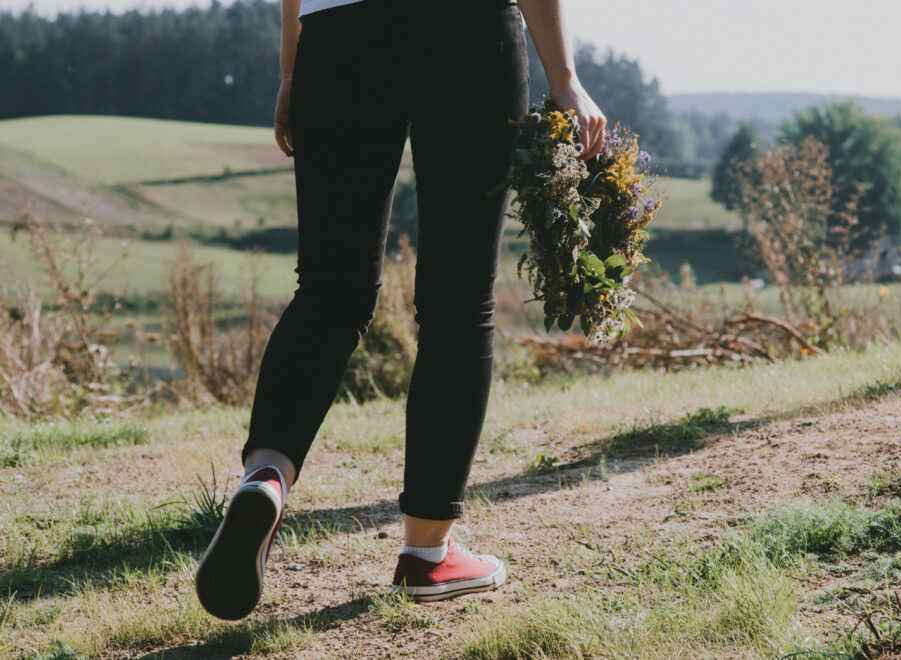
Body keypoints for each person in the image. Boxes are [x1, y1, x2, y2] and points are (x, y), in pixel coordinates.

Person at [194, 0, 606, 620]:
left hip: (339, 34)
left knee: (329, 291)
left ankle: (267, 477)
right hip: (467, 34)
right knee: (457, 302)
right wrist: (565, 78)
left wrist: (291, 70)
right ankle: (426, 553)